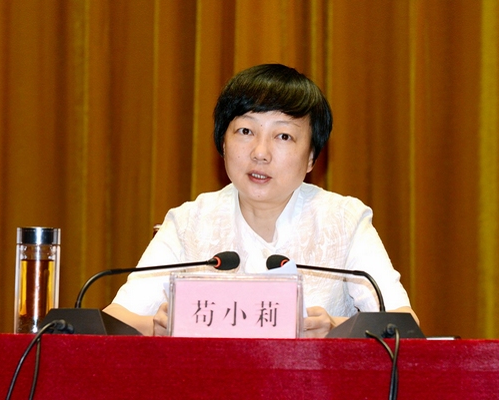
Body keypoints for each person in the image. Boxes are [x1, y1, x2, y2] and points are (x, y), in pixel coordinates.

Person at [103, 63, 419, 337]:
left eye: (283, 136)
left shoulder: (344, 220)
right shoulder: (189, 222)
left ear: (311, 157)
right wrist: (156, 326)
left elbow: (404, 324)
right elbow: (113, 320)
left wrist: (336, 328)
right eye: (245, 131)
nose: (260, 152)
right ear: (222, 143)